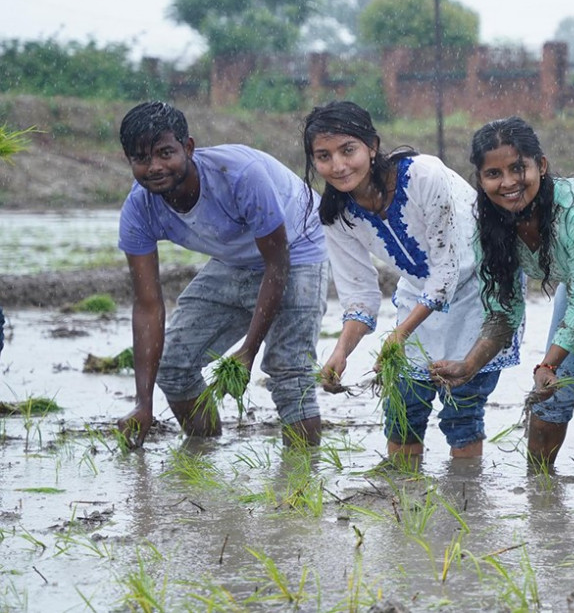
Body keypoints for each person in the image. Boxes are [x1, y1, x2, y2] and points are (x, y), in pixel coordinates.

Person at [302, 101, 520, 462]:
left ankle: (465, 503)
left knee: (461, 411)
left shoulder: (423, 176)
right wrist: (340, 353)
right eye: (324, 156)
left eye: (348, 150)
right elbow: (360, 296)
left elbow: (446, 274)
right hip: (417, 298)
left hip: (479, 295)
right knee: (403, 408)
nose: (338, 166)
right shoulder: (336, 215)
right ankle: (401, 505)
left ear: (372, 146)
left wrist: (398, 334)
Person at [114, 101, 329, 448]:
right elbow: (147, 305)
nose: (154, 167)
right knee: (174, 364)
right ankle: (205, 453)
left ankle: (302, 483)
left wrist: (248, 350)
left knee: (288, 368)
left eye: (165, 153)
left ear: (188, 148)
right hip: (235, 258)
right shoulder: (139, 210)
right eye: (141, 159)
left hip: (298, 245)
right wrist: (144, 403)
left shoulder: (241, 175)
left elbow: (277, 264)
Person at [429, 117, 574, 471]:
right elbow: (503, 310)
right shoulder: (489, 227)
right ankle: (541, 502)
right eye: (493, 174)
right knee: (546, 405)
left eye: (517, 168)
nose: (507, 183)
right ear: (480, 179)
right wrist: (469, 364)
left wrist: (549, 363)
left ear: (541, 165)